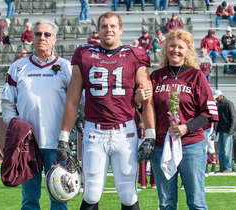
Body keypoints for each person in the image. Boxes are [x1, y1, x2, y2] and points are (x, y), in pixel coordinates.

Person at [57, 11, 156, 210]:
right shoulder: (84, 54)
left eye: (112, 26)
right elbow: (73, 100)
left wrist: (150, 135)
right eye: (104, 26)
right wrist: (63, 137)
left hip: (125, 130)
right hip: (94, 131)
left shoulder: (135, 55)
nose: (108, 30)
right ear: (98, 30)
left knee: (128, 194)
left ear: (120, 30)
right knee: (91, 193)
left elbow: (147, 98)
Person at [137, 29, 218, 209]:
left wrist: (186, 127)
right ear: (166, 48)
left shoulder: (197, 76)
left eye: (180, 47)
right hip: (161, 146)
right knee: (166, 203)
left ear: (187, 50)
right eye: (172, 45)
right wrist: (138, 98)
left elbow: (209, 114)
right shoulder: (156, 76)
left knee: (196, 201)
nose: (175, 50)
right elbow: (146, 108)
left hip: (191, 145)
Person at [0, 18, 74, 210]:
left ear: (54, 39)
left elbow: (77, 102)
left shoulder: (65, 67)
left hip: (58, 143)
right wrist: (17, 127)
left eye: (47, 34)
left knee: (59, 199)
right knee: (29, 200)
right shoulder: (18, 67)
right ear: (32, 38)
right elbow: (8, 102)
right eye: (38, 34)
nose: (42, 37)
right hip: (27, 145)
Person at [213, 89, 236, 173]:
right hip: (220, 131)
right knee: (220, 150)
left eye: (216, 97)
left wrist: (231, 130)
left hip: (227, 131)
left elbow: (233, 117)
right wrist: (215, 130)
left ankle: (228, 167)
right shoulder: (217, 105)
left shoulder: (229, 103)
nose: (216, 99)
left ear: (220, 96)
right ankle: (222, 167)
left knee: (227, 149)